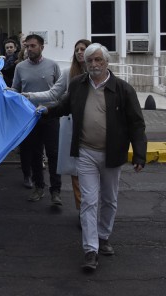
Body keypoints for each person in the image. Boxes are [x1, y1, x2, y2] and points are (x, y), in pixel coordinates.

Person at [40, 43, 147, 271]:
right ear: (84, 63)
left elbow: (137, 124)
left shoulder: (123, 89)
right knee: (89, 201)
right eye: (90, 61)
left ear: (107, 62)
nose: (94, 64)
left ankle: (103, 236)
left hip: (113, 153)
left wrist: (139, 154)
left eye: (98, 60)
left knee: (109, 199)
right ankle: (91, 250)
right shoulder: (78, 85)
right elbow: (63, 106)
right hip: (86, 151)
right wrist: (46, 111)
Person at [24, 39, 91, 218]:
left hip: (95, 130)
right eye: (76, 49)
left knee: (92, 173)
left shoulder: (100, 75)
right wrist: (30, 96)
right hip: (70, 126)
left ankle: (86, 207)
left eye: (83, 49)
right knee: (77, 170)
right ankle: (82, 212)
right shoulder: (69, 74)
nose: (79, 52)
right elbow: (54, 93)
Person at [11, 34, 62, 205]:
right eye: (27, 46)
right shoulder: (20, 67)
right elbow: (15, 90)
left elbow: (59, 91)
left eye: (33, 46)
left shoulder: (53, 66)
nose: (29, 49)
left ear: (41, 47)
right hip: (30, 117)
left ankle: (55, 191)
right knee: (35, 154)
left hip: (50, 115)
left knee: (54, 154)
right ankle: (38, 187)